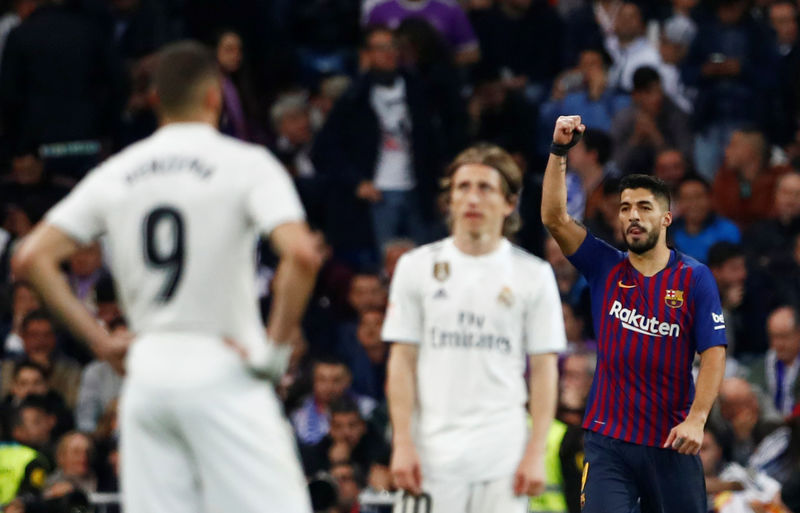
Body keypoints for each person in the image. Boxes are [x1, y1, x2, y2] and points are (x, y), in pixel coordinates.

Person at [11, 41, 321, 513]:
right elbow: (301, 253)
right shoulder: (246, 164)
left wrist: (99, 342)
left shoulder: (118, 171)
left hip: (148, 373)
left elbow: (30, 256)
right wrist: (274, 353)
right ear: (216, 96)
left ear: (153, 99)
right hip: (223, 366)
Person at [541, 115, 728, 513]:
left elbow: (713, 352)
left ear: (666, 218)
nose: (632, 215)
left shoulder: (694, 278)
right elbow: (554, 218)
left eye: (644, 206)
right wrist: (559, 151)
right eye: (625, 207)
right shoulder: (603, 265)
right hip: (608, 442)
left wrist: (697, 420)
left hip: (671, 441)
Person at [384, 143, 566, 513]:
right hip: (429, 453)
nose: (472, 198)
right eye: (462, 187)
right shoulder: (415, 267)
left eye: (485, 188)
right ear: (449, 199)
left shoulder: (534, 275)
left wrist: (535, 451)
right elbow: (401, 361)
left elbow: (545, 370)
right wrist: (402, 442)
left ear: (509, 203)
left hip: (503, 455)